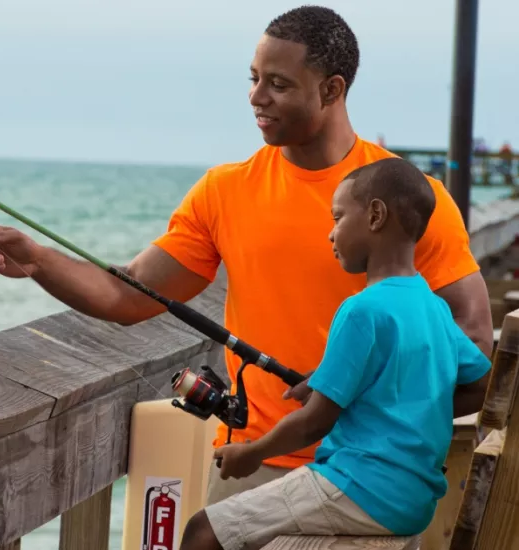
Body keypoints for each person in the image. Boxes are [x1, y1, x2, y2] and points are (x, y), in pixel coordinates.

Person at [0, 5, 493, 504]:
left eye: (278, 84)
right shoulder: (224, 191)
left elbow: (473, 349)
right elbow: (130, 294)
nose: (257, 97)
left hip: (372, 482)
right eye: (254, 80)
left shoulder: (411, 200)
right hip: (250, 467)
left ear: (331, 90)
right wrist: (39, 262)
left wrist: (370, 420)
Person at [178, 157, 492, 550]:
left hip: (361, 485)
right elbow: (481, 384)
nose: (331, 234)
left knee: (202, 532)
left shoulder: (361, 309)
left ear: (376, 216)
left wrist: (251, 454)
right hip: (413, 499)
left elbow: (314, 424)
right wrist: (401, 411)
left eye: (338, 218)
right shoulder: (433, 308)